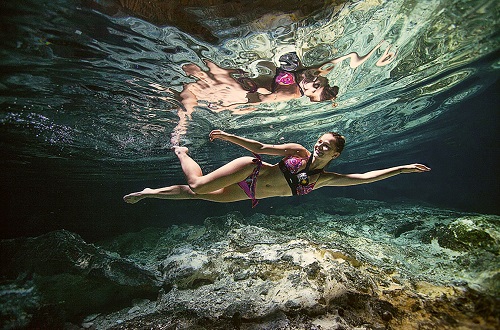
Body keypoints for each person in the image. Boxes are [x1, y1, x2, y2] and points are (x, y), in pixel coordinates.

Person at [123, 130, 430, 207]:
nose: (320, 146)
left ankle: (174, 162)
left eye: (327, 146)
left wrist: (401, 169)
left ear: (335, 154)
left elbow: (364, 178)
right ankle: (171, 163)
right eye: (320, 141)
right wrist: (230, 137)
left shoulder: (325, 179)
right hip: (250, 170)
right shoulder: (297, 151)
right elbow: (260, 149)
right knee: (198, 186)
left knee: (194, 190)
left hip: (249, 195)